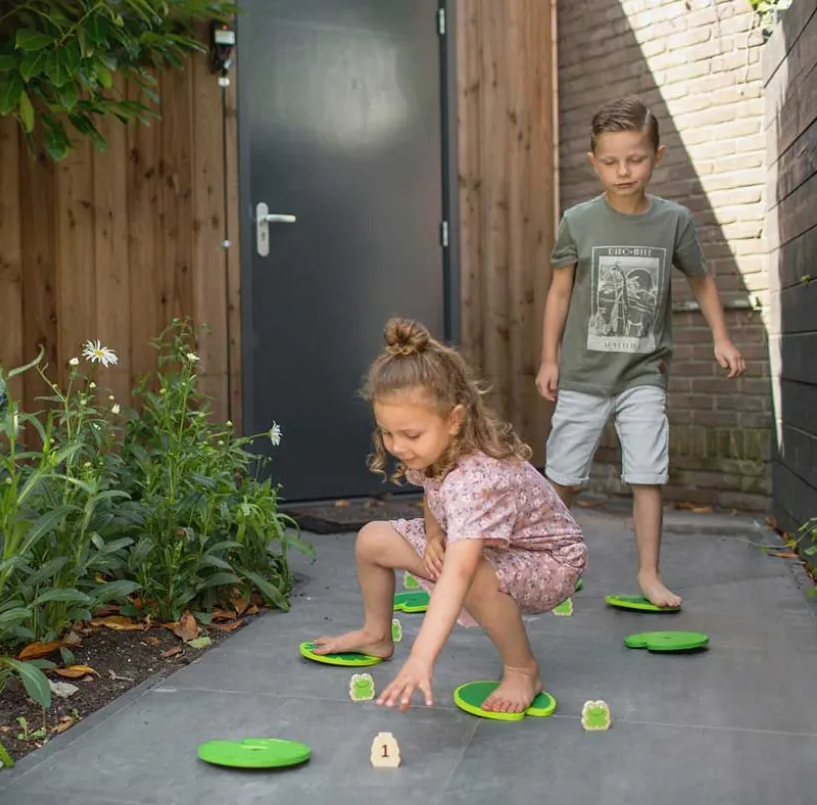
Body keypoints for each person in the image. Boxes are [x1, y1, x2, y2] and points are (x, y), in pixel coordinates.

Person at [311, 318, 587, 714]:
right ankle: (376, 634)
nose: (398, 447)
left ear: (454, 420)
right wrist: (434, 532)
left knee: (471, 571)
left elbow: (458, 573)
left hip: (551, 562)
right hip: (487, 546)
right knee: (373, 539)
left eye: (410, 435)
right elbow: (430, 490)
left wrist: (422, 658)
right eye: (387, 433)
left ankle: (522, 668)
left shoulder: (478, 479)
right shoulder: (432, 449)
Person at [536, 94, 746, 609]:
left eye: (635, 158)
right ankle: (541, 559)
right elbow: (559, 292)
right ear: (593, 162)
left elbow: (701, 280)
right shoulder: (578, 221)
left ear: (657, 155)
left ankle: (649, 574)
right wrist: (549, 358)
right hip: (584, 375)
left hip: (643, 375)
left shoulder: (673, 221)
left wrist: (721, 336)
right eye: (609, 161)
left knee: (648, 474)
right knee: (561, 477)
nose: (623, 171)